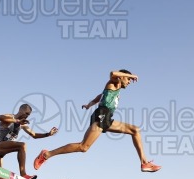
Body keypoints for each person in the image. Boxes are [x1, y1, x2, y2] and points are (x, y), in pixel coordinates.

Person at [33, 69, 161, 173]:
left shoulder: (116, 90)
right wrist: (130, 74)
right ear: (121, 77)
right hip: (101, 115)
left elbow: (100, 96)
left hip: (106, 117)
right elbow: (112, 73)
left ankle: (144, 163)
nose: (129, 82)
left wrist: (89, 104)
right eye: (128, 79)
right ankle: (47, 154)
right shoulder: (114, 83)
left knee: (135, 130)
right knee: (83, 147)